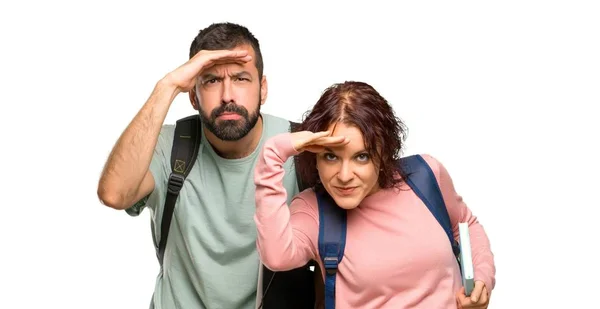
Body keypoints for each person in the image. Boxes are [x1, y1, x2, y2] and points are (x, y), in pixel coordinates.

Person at [97, 22, 319, 309]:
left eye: (241, 79)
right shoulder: (170, 146)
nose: (228, 95)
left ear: (262, 89)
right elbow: (114, 194)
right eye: (212, 81)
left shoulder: (300, 149)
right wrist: (167, 86)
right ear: (192, 95)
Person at [253, 81, 496, 308]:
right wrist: (274, 153)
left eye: (362, 156)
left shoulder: (426, 176)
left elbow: (466, 225)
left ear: (383, 153)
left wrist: (482, 279)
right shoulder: (313, 210)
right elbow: (276, 257)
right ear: (314, 155)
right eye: (331, 156)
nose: (345, 175)